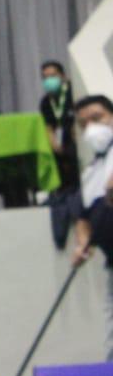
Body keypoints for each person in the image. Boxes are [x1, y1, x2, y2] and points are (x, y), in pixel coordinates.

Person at [68, 95, 113, 360]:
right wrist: (83, 243)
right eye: (84, 124)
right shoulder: (91, 170)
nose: (91, 128)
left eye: (97, 118)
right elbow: (82, 214)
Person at [40, 60, 79, 191]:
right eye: (45, 78)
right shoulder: (46, 102)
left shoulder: (74, 92)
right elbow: (48, 127)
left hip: (75, 140)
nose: (49, 80)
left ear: (63, 76)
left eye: (53, 76)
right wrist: (54, 144)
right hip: (59, 143)